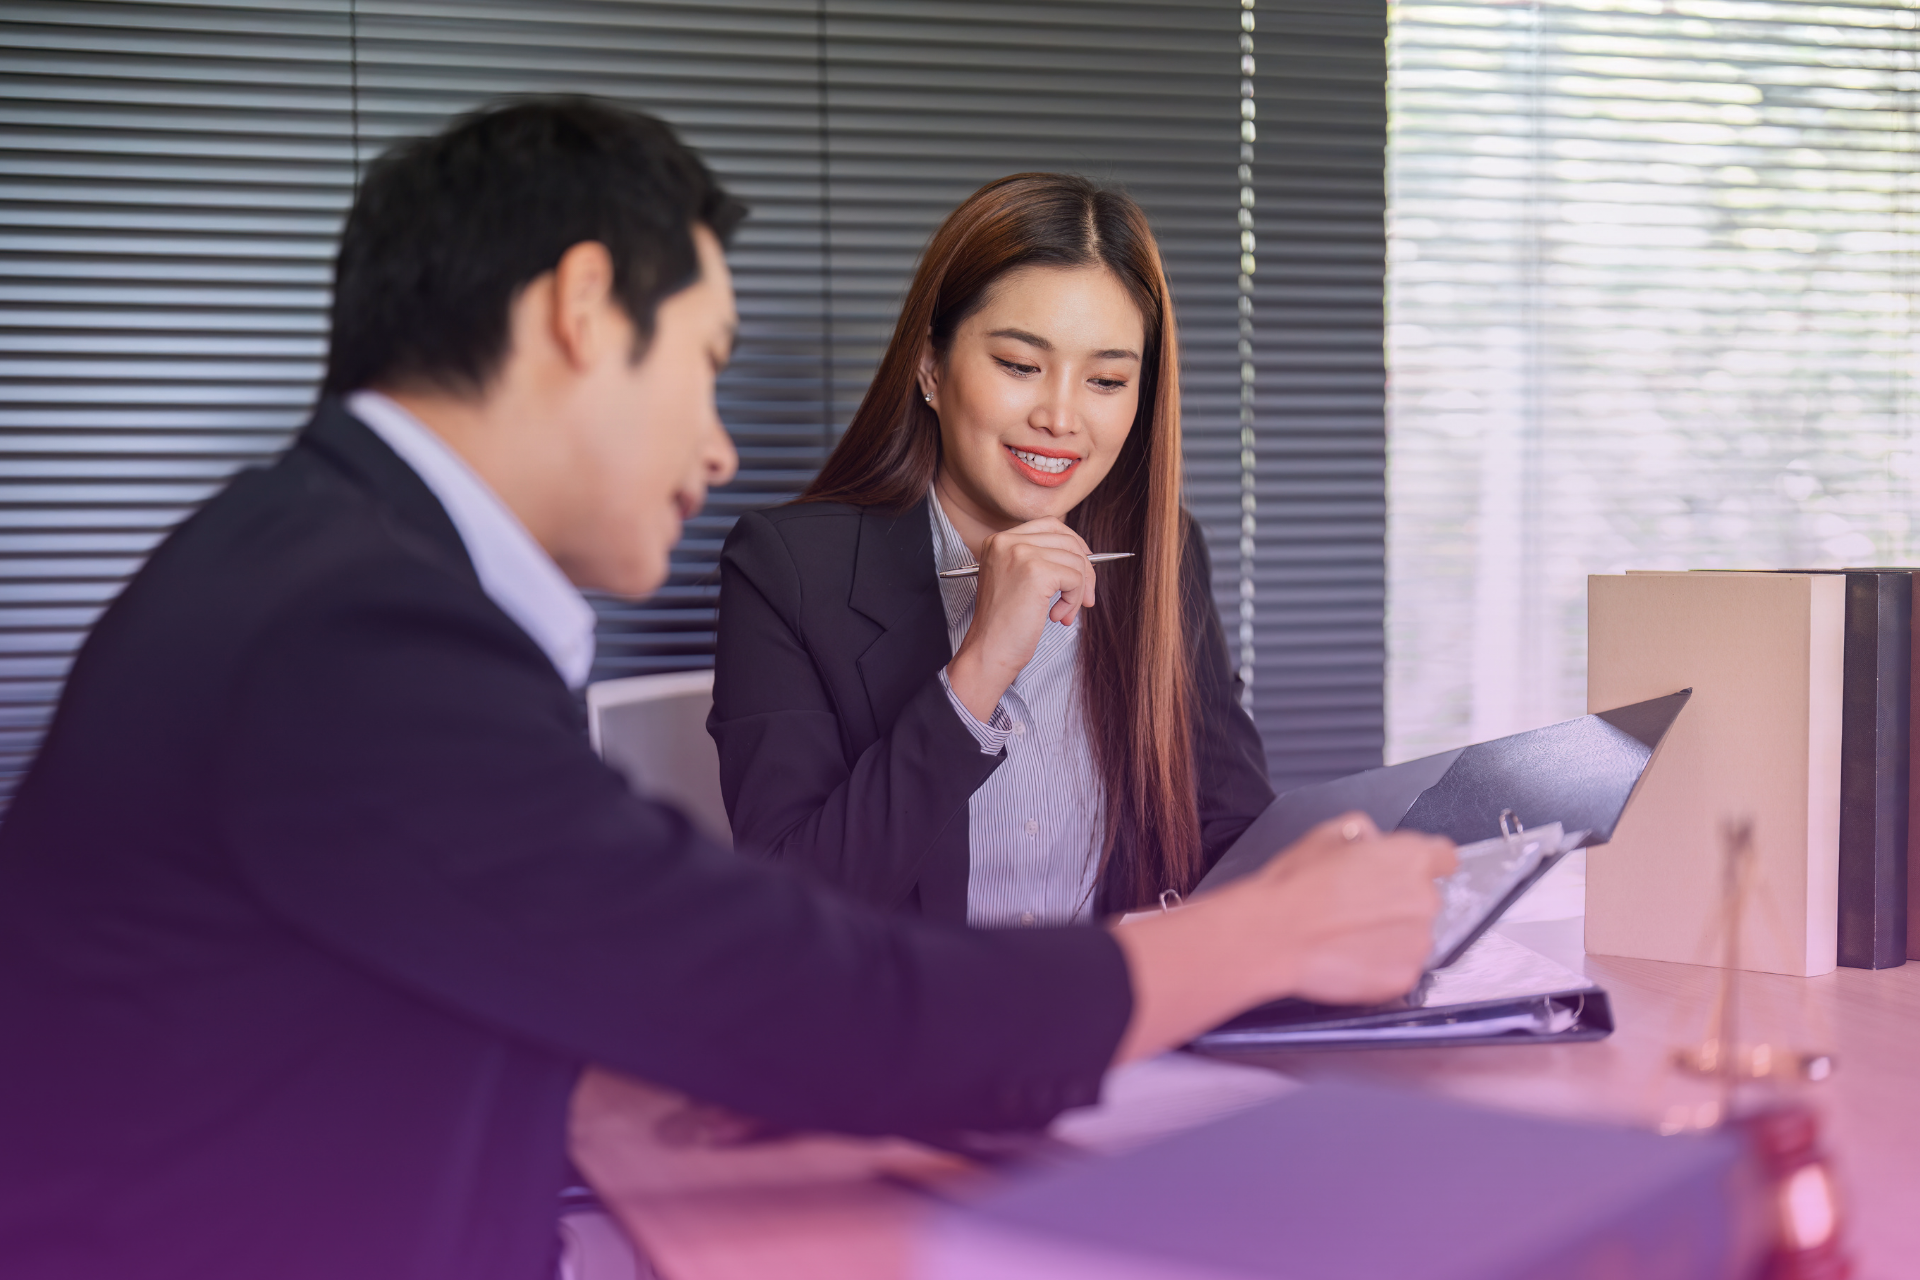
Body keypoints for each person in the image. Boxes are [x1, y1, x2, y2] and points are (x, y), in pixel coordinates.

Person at [0, 99, 1453, 1280]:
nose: (714, 448)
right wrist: (1265, 937)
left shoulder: (302, 562)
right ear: (582, 310)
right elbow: (821, 990)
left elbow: (447, 987)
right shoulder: (360, 629)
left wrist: (663, 1064)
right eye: (703, 368)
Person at [712, 173, 1274, 924]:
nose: (1061, 416)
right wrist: (977, 673)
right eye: (1019, 366)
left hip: (1123, 1031)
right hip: (909, 1033)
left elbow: (1232, 835)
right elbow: (786, 913)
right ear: (930, 366)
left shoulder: (1163, 554)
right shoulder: (787, 571)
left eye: (1107, 379)